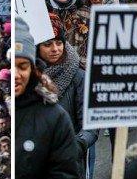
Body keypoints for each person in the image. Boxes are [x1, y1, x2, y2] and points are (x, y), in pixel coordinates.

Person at [14, 19, 85, 179]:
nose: (15, 75)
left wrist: (76, 145)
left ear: (33, 68)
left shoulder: (55, 117)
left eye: (23, 66)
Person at [36, 14, 98, 177]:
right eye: (48, 44)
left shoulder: (79, 76)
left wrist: (74, 147)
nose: (55, 49)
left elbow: (90, 126)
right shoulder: (27, 77)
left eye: (59, 43)